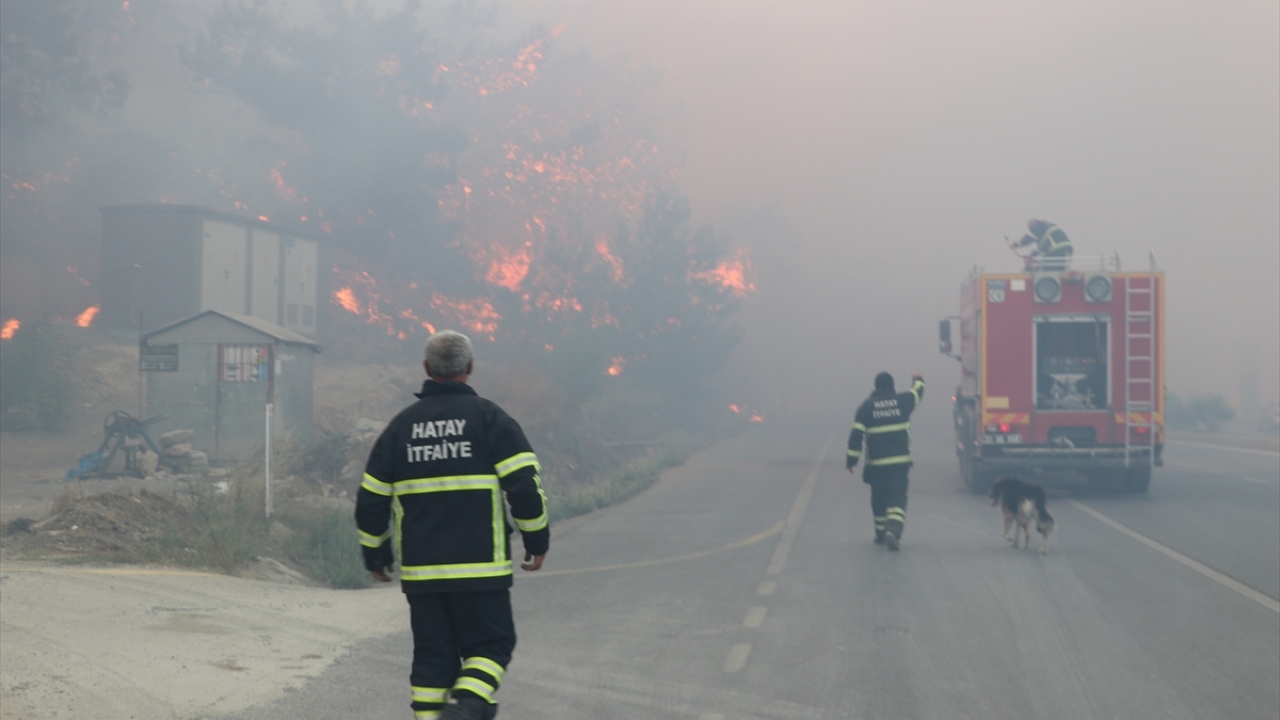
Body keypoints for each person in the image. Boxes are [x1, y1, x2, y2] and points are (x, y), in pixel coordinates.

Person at [356, 330, 549, 720]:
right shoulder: (491, 419)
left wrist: (375, 554)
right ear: (470, 368)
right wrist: (536, 538)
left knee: (432, 660)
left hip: (423, 574)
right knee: (492, 645)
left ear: (427, 369)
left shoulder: (401, 428)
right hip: (482, 568)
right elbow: (524, 487)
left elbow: (370, 500)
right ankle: (467, 707)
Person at [846, 372, 925, 551]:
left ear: (876, 387)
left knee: (879, 498)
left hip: (877, 465)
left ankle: (881, 533)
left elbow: (856, 435)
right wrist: (917, 379)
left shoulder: (866, 407)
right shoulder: (903, 401)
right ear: (892, 386)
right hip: (899, 463)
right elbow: (918, 392)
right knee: (897, 496)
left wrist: (851, 460)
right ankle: (894, 530)